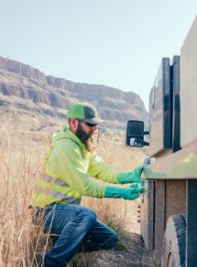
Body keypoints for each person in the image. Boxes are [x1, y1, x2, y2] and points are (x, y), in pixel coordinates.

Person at [31, 102, 146, 267]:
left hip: (65, 213)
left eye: (96, 124)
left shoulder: (81, 147)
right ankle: (51, 263)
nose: (94, 128)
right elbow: (86, 187)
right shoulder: (66, 148)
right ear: (73, 123)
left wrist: (130, 176)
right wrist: (123, 193)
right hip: (46, 212)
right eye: (90, 124)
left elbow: (102, 170)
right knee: (86, 215)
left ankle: (57, 249)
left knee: (109, 238)